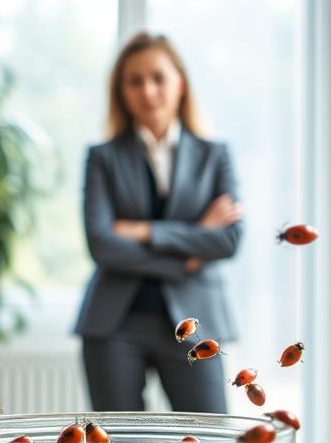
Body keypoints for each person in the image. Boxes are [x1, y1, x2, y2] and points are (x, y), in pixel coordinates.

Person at [75, 32, 243, 413]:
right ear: (121, 91)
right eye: (134, 81)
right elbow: (101, 244)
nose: (148, 90)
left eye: (158, 77)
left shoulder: (216, 156)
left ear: (180, 82)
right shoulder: (102, 158)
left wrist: (144, 230)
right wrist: (189, 250)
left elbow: (230, 239)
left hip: (196, 320)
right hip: (114, 325)